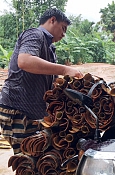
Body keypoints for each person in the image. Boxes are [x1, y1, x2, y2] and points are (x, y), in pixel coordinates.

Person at [0, 8, 83, 154]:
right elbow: (25, 61)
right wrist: (64, 70)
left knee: (35, 161)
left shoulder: (50, 48)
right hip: (18, 110)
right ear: (52, 20)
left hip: (32, 113)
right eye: (63, 28)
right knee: (26, 162)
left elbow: (49, 80)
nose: (64, 34)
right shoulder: (34, 34)